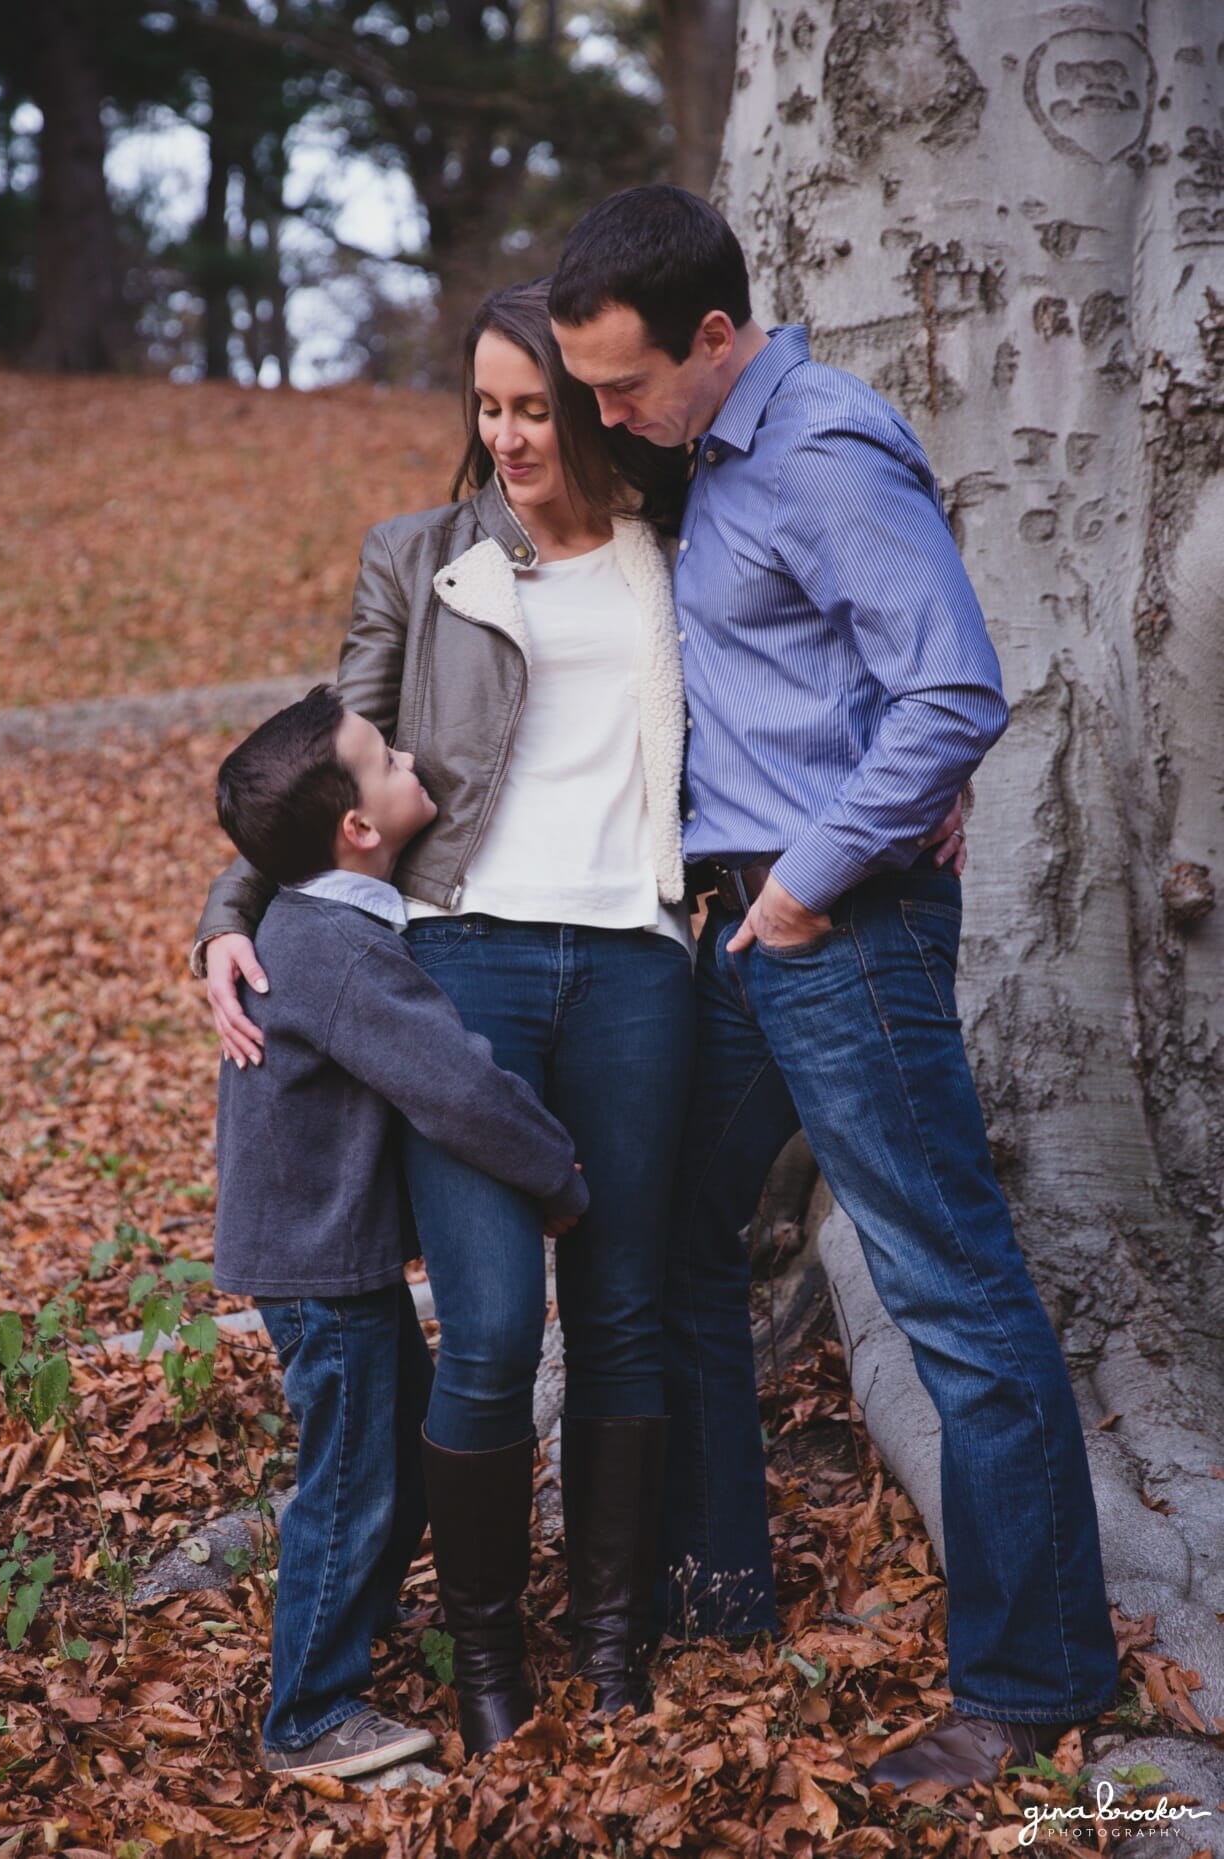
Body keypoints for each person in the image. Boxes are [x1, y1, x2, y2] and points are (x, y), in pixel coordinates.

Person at [548, 185, 1118, 1788]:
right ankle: (717, 1579)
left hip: (834, 934)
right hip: (740, 936)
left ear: (717, 338)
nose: (608, 415)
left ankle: (1032, 1685)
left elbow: (951, 684)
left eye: (624, 384)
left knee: (952, 1289)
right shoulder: (712, 462)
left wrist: (805, 883)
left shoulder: (820, 447)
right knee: (662, 1232)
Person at [194, 281, 698, 1756]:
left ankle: (609, 1643)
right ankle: (487, 1657)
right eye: (486, 407)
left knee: (621, 1315)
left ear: (587, 400)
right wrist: (230, 916)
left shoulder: (675, 541)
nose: (507, 432)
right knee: (483, 1329)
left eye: (532, 403)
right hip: (465, 954)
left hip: (634, 965)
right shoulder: (418, 558)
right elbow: (317, 772)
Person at [211, 684, 588, 1781]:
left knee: (391, 1460)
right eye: (384, 757)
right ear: (360, 830)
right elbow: (456, 1087)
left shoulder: (324, 925)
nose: (410, 754)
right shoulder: (335, 950)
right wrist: (556, 1170)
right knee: (352, 1476)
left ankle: (347, 1653)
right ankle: (310, 1714)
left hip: (331, 1258)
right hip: (319, 1267)